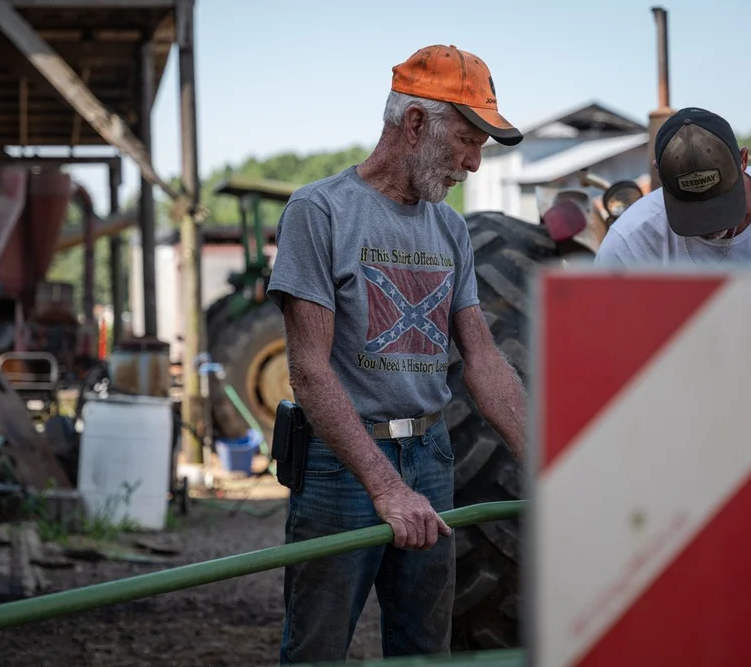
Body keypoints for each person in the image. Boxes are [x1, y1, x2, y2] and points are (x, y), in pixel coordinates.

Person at [266, 44, 528, 664]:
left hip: (432, 457)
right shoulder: (320, 211)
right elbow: (309, 368)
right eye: (466, 140)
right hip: (341, 464)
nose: (472, 161)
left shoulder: (450, 229)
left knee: (423, 649)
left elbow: (484, 361)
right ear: (414, 124)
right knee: (317, 648)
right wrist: (385, 487)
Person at [595, 106, 751, 269]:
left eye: (719, 201)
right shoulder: (630, 242)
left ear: (743, 161)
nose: (711, 224)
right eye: (693, 208)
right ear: (659, 174)